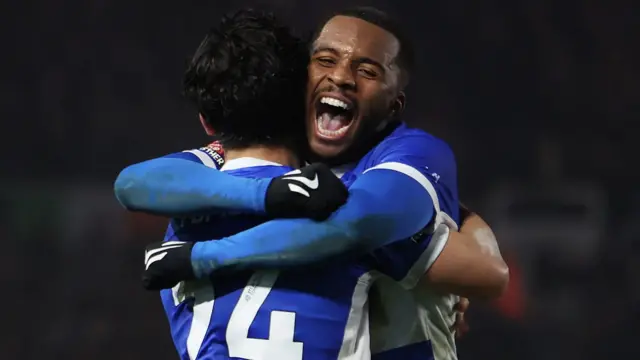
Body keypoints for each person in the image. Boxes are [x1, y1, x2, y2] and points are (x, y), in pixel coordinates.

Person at [115, 7, 508, 359]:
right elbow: (133, 183)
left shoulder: (407, 159)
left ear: (394, 104)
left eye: (367, 70)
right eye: (325, 61)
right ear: (299, 81)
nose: (341, 77)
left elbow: (488, 273)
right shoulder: (322, 191)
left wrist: (202, 256)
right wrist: (270, 196)